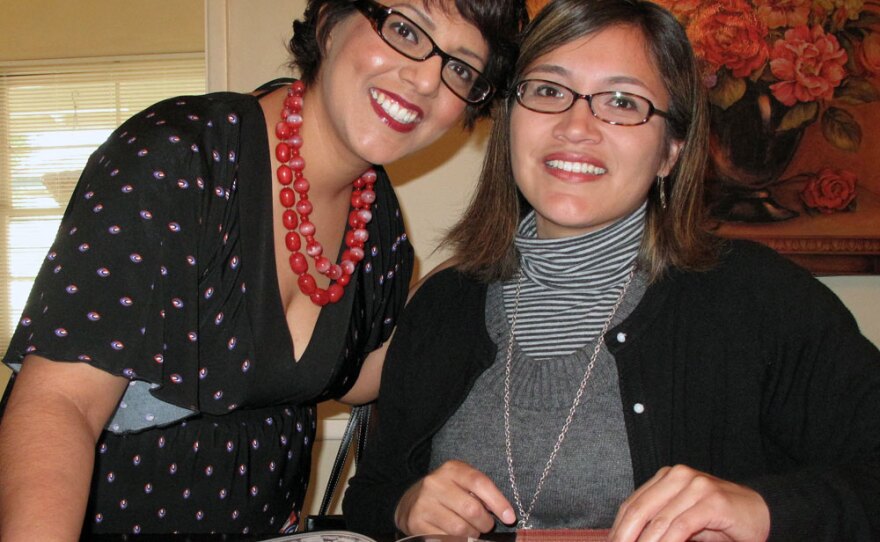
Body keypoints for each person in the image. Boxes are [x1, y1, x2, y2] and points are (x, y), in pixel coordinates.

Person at [342, 0, 880, 540]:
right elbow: (371, 494)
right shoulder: (442, 306)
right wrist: (405, 504)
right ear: (509, 119)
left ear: (671, 149)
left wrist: (762, 510)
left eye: (623, 102)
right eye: (549, 91)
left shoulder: (760, 299)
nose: (577, 127)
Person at [0, 0, 528, 538]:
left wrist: (490, 286)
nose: (425, 79)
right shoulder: (180, 157)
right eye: (405, 30)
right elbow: (60, 403)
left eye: (461, 68)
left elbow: (356, 376)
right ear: (328, 21)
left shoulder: (378, 215)